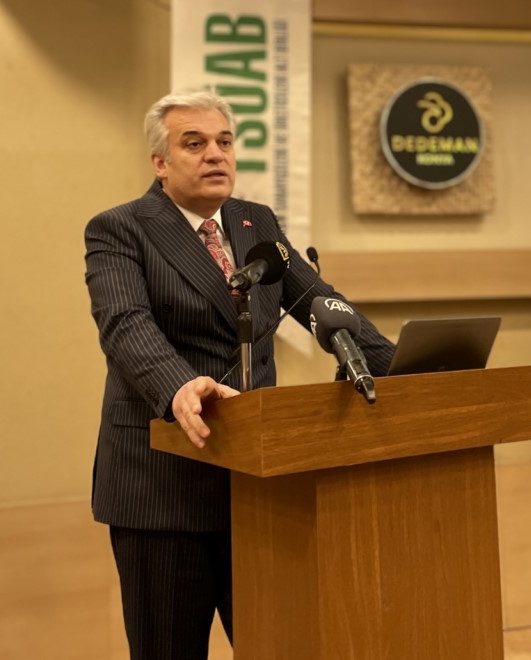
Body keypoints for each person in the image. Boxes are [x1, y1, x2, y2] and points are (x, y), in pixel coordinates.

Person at [84, 90, 395, 659]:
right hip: (165, 482)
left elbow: (322, 303)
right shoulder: (120, 229)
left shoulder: (255, 222)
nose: (215, 155)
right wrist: (177, 384)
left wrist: (406, 369)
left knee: (276, 643)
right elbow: (125, 325)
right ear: (160, 162)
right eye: (194, 143)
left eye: (224, 142)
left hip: (258, 481)